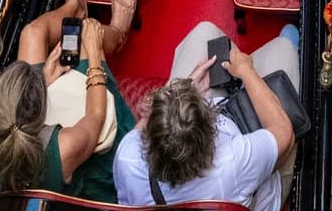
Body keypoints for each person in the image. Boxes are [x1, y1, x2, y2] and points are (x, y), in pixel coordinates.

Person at [0, 0, 141, 202]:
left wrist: (43, 81)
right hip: (91, 165)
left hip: (43, 139)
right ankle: (117, 34)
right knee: (86, 32)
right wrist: (95, 53)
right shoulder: (62, 150)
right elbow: (95, 117)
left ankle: (74, 4)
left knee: (32, 34)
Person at [111, 22, 300, 211]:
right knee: (284, 50)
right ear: (211, 128)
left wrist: (187, 86)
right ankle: (281, 48)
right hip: (252, 171)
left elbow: (144, 124)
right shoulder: (231, 164)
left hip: (226, 166)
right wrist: (246, 71)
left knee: (205, 32)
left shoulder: (128, 158)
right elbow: (284, 132)